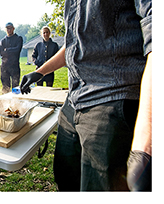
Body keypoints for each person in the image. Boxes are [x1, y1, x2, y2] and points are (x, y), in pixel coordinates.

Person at [20, 0, 152, 191]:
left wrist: (146, 146)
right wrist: (40, 72)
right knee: (66, 179)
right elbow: (74, 45)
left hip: (111, 99)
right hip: (73, 102)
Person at [0, 22, 23, 94]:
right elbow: (1, 53)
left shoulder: (18, 38)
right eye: (7, 28)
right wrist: (11, 50)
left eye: (10, 28)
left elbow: (17, 50)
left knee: (15, 87)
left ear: (13, 28)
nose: (8, 30)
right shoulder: (3, 41)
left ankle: (15, 103)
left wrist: (7, 50)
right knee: (5, 87)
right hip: (4, 66)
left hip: (14, 66)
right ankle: (5, 102)